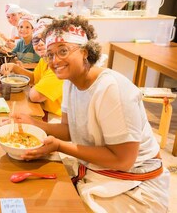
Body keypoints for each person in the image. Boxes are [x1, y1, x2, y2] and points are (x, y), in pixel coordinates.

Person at [12, 16, 170, 212]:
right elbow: (69, 129)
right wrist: (35, 125)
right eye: (50, 55)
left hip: (136, 183)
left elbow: (123, 160)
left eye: (63, 51)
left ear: (85, 52)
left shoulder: (111, 89)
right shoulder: (71, 81)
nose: (55, 61)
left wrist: (60, 146)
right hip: (100, 169)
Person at [1, 16, 62, 120]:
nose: (40, 44)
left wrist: (35, 87)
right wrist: (14, 67)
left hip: (55, 117)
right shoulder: (45, 59)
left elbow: (35, 96)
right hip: (42, 108)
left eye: (45, 39)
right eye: (36, 40)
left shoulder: (58, 65)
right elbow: (34, 78)